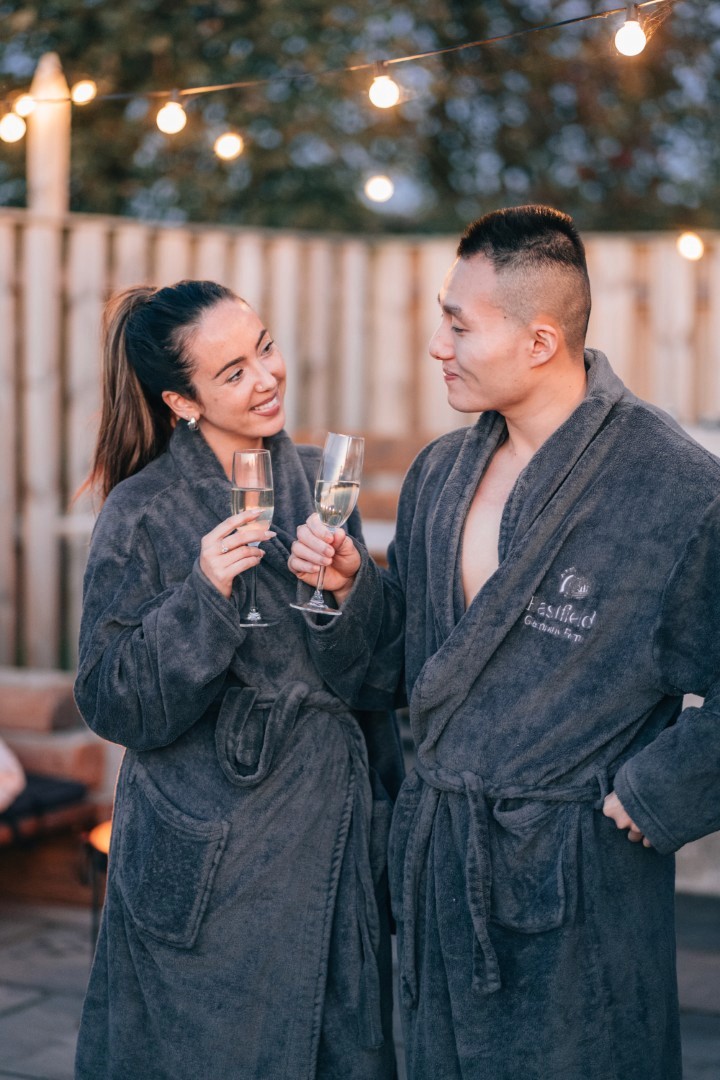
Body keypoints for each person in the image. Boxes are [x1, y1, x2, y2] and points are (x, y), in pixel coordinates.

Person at [289, 205, 720, 1080]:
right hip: (444, 859)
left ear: (539, 340)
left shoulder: (672, 487)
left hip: (573, 877)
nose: (437, 344)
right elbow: (408, 663)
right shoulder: (442, 472)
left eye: (458, 323)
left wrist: (659, 791)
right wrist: (349, 590)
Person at [73, 280, 402, 1080]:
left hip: (323, 836)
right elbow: (110, 697)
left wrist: (353, 590)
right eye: (232, 373)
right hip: (209, 850)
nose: (266, 377)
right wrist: (202, 598)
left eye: (264, 347)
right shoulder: (143, 511)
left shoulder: (325, 484)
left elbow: (382, 676)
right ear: (181, 402)